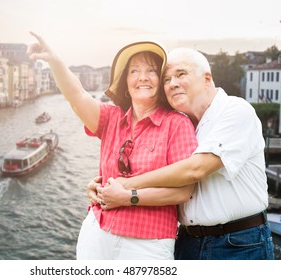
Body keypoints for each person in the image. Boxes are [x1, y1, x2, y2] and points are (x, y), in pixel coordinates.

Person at [92, 47, 275, 260]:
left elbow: (195, 169)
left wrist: (124, 185)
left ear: (207, 78)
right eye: (167, 79)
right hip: (187, 242)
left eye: (180, 74)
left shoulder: (235, 110)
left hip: (238, 242)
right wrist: (102, 186)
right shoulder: (182, 125)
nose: (172, 83)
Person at [27, 33, 198, 260]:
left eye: (151, 71)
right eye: (134, 71)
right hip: (98, 231)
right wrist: (54, 61)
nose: (142, 77)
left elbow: (184, 190)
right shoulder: (111, 118)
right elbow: (76, 95)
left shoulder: (176, 124)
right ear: (126, 83)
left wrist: (129, 197)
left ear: (160, 80)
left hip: (148, 242)